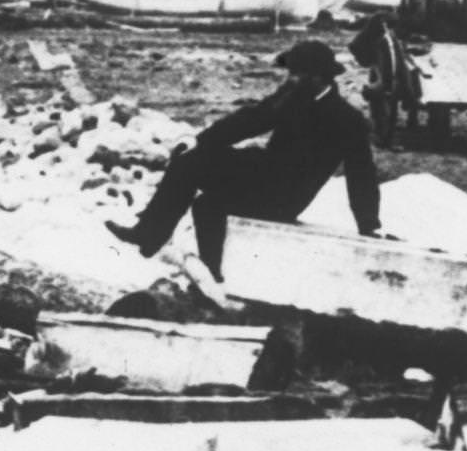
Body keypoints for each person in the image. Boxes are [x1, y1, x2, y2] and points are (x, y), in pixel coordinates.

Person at [105, 39, 381, 280]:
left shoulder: (347, 119)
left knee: (208, 204)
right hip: (263, 174)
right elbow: (249, 121)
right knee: (189, 158)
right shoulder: (293, 95)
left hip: (286, 196)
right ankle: (150, 234)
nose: (290, 78)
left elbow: (362, 174)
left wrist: (369, 225)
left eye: (297, 73)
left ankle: (210, 273)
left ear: (319, 77)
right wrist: (200, 140)